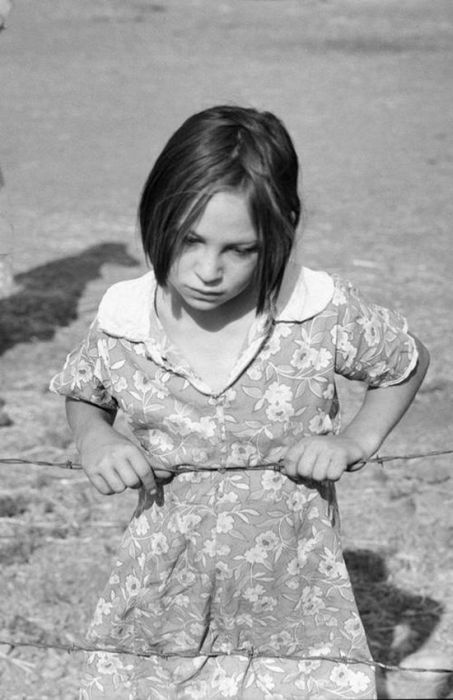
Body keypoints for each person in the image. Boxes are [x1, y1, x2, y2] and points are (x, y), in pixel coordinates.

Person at [50, 104, 429, 700]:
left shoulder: (315, 312)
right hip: (164, 597)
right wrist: (95, 436)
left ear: (278, 233)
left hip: (294, 602)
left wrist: (356, 439)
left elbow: (404, 362)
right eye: (189, 239)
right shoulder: (126, 319)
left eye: (241, 249)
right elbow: (83, 392)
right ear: (156, 216)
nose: (208, 269)